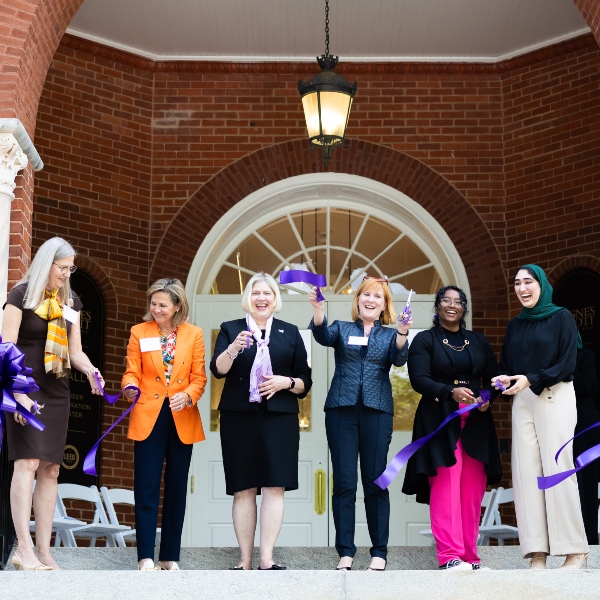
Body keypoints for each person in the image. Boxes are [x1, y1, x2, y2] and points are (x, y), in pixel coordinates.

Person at [2, 237, 104, 571]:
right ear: (47, 263)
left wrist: (91, 371)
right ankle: (22, 547)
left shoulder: (70, 300)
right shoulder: (20, 295)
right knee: (27, 462)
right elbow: (5, 347)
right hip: (25, 388)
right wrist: (18, 396)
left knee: (51, 468)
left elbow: (74, 352)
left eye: (70, 268)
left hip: (57, 389)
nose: (67, 273)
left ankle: (44, 550)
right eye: (63, 267)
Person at [210, 272, 311, 571]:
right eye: (256, 293)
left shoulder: (290, 332)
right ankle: (244, 560)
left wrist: (285, 381)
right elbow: (218, 370)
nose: (261, 298)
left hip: (279, 417)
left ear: (275, 298)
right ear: (248, 298)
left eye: (267, 293)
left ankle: (266, 558)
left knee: (274, 487)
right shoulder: (231, 329)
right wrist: (233, 348)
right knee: (243, 488)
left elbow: (306, 381)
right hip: (239, 417)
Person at [308, 275, 411, 572]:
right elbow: (322, 335)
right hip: (342, 409)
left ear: (384, 305)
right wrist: (318, 309)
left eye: (377, 297)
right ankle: (346, 552)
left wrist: (403, 332)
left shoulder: (390, 334)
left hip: (377, 411)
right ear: (358, 300)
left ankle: (379, 551)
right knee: (343, 483)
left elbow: (400, 359)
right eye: (366, 294)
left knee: (376, 481)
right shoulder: (341, 328)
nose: (370, 300)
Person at [494, 264, 589, 569]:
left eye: (528, 282)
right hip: (522, 399)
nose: (522, 288)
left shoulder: (561, 317)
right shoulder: (515, 325)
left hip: (554, 395)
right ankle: (537, 551)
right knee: (525, 475)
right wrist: (502, 380)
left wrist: (532, 378)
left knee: (556, 469)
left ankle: (575, 549)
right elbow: (507, 364)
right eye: (517, 283)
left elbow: (567, 362)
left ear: (541, 284)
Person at [402, 286, 501, 571]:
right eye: (446, 300)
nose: (452, 305)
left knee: (471, 491)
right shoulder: (424, 340)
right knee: (446, 486)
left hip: (476, 423)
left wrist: (487, 397)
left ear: (464, 308)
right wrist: (450, 392)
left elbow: (493, 378)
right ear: (437, 307)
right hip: (439, 420)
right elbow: (419, 379)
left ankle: (471, 557)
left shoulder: (478, 341)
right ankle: (450, 556)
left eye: (458, 301)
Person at [122, 278, 207, 571]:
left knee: (176, 487)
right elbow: (131, 371)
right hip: (149, 414)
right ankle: (145, 556)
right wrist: (130, 387)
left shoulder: (194, 334)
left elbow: (199, 377)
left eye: (162, 305)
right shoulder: (139, 332)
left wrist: (188, 395)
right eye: (153, 303)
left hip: (182, 414)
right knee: (146, 486)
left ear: (177, 306)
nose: (155, 309)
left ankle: (170, 557)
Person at [573, 341, 600, 545]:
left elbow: (589, 387)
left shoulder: (583, 355)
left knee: (586, 483)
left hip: (585, 425)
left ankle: (589, 540)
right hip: (556, 424)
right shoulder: (546, 358)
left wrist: (566, 367)